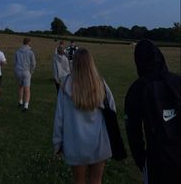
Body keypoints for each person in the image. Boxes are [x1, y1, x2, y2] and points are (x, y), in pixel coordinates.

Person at [53, 48, 116, 184]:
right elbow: (112, 111)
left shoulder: (65, 85)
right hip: (99, 143)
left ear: (74, 63)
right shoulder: (101, 84)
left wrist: (57, 142)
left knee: (78, 181)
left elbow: (59, 117)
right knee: (96, 180)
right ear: (91, 63)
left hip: (75, 144)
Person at [124, 39, 181, 184]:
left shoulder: (137, 89)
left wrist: (142, 161)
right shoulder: (177, 81)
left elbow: (133, 133)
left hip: (158, 164)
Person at [14, 38, 36, 111]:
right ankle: (26, 106)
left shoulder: (17, 51)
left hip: (18, 71)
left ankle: (20, 102)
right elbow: (33, 63)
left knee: (20, 87)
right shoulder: (30, 52)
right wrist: (31, 71)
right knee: (27, 89)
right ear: (29, 42)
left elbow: (15, 62)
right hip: (26, 71)